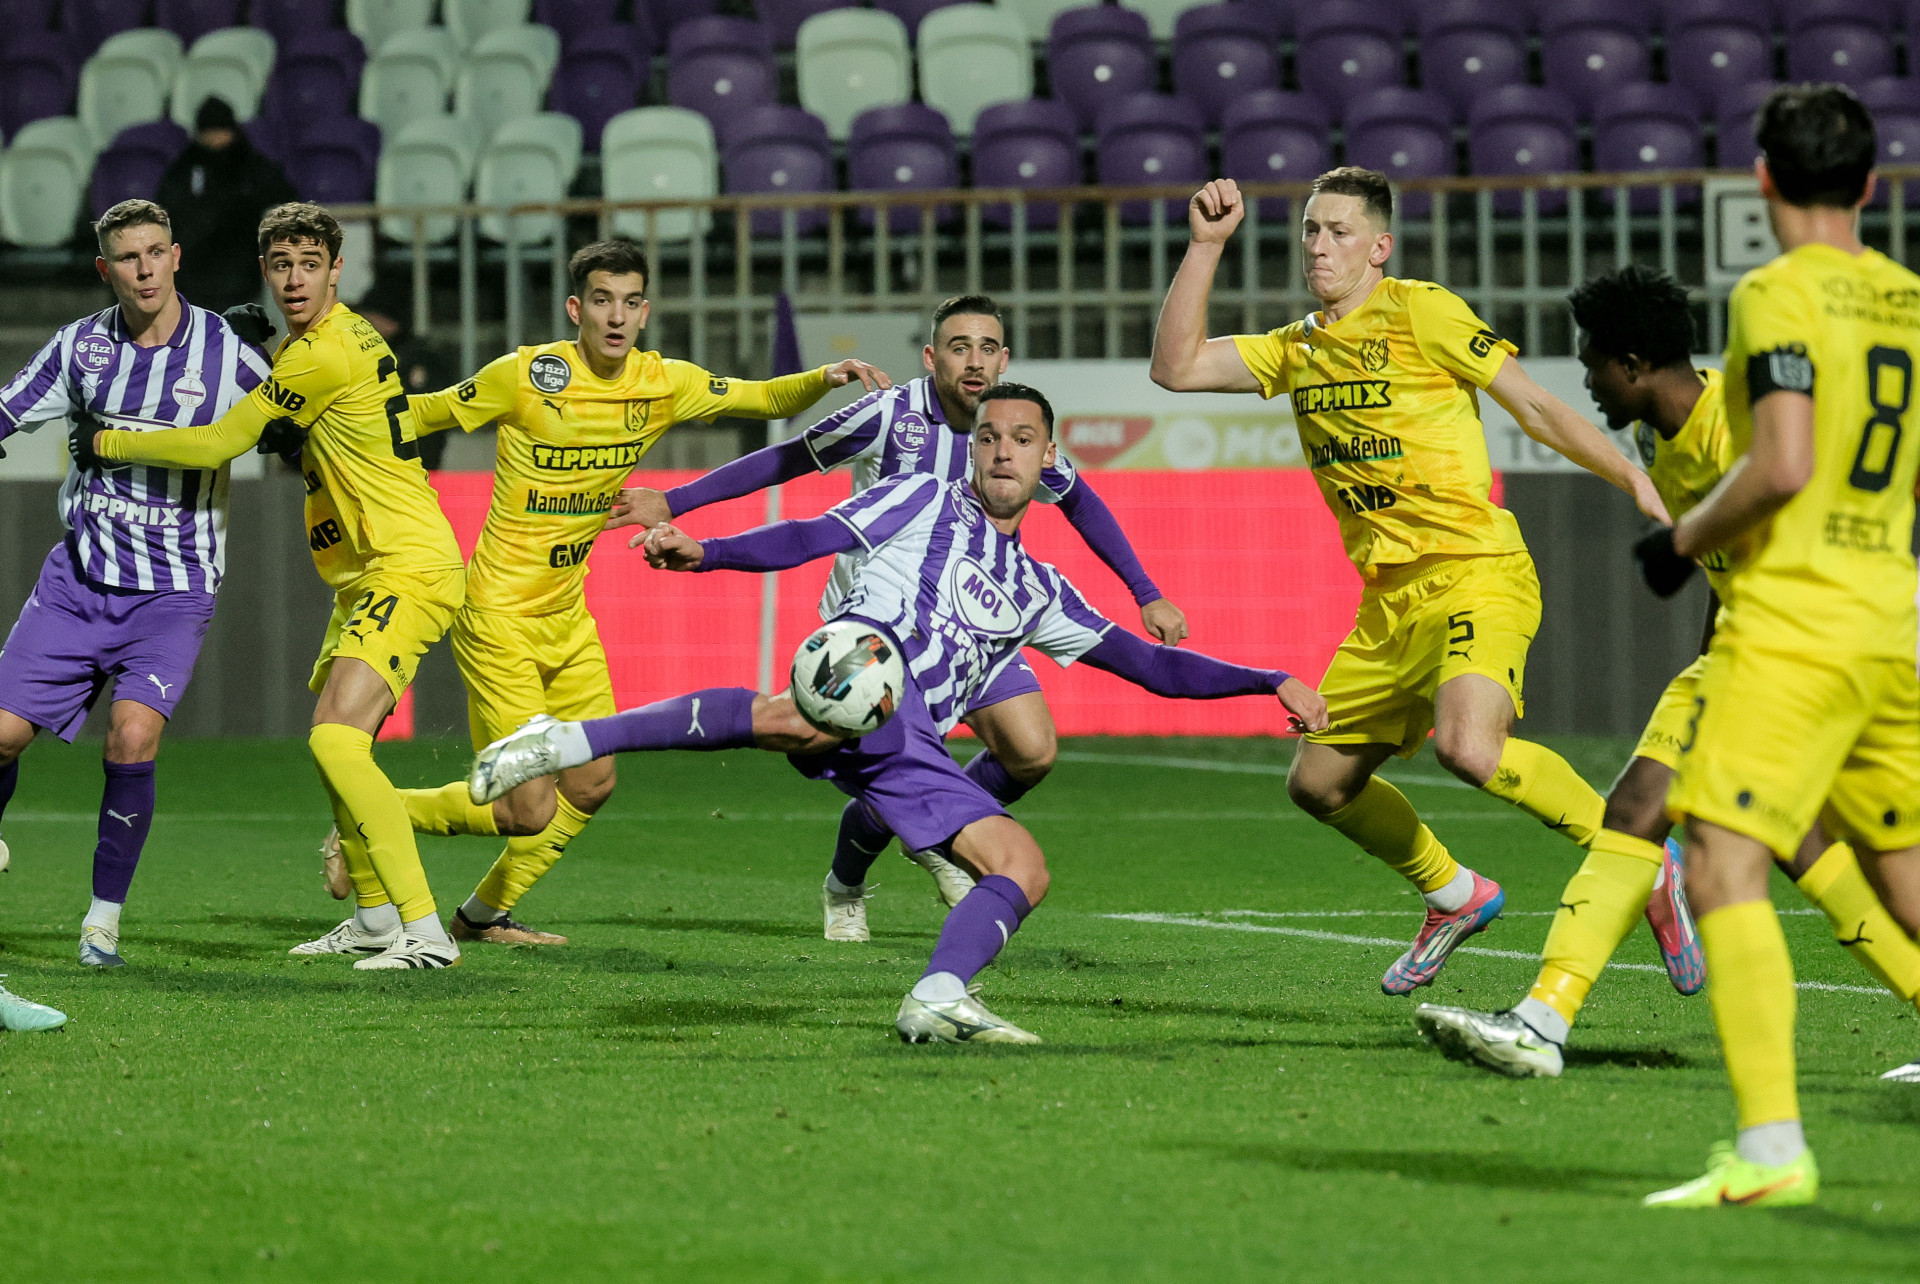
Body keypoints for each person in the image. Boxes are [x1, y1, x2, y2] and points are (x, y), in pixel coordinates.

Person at [465, 383, 1328, 1042]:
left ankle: (937, 994)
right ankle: (567, 738)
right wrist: (707, 552)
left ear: (1049, 461)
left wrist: (1268, 678)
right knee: (813, 709)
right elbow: (812, 535)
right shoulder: (919, 496)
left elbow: (1151, 668)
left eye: (1021, 441)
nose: (1000, 452)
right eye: (988, 437)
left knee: (1020, 866)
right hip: (866, 665)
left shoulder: (1039, 589)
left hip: (914, 739)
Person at [1148, 168, 1670, 994]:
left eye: (1340, 231)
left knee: (1468, 747)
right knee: (1318, 783)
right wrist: (1207, 245)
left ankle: (1639, 853)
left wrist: (1635, 481)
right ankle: (1454, 894)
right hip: (1388, 604)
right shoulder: (1297, 347)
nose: (1320, 245)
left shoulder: (1422, 310)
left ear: (1379, 247)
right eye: (1312, 230)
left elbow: (1533, 406)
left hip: (1473, 570)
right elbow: (1174, 367)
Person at [1414, 264, 1920, 1081]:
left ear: (1636, 363)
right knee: (1658, 812)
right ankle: (1543, 1019)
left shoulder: (1743, 432)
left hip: (1817, 651)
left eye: (1593, 364)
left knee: (1830, 845)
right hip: (1743, 653)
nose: (1586, 380)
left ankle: (1546, 1021)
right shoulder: (1656, 437)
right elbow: (1730, 570)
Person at [610, 295, 1188, 942]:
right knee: (900, 765)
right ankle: (848, 882)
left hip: (970, 614)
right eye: (960, 347)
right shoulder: (892, 415)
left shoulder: (1009, 430)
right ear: (931, 356)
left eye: (988, 347)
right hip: (875, 622)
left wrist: (1145, 592)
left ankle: (934, 827)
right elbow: (790, 457)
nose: (975, 362)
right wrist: (678, 501)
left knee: (1031, 752)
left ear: (1005, 357)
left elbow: (1080, 500)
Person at [368, 237, 887, 945]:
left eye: (631, 302)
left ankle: (481, 917)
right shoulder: (526, 375)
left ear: (646, 310)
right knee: (529, 807)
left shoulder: (659, 382)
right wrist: (339, 422)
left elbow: (759, 397)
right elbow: (418, 415)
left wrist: (827, 375)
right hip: (497, 616)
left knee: (591, 785)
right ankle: (370, 816)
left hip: (567, 615)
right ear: (576, 308)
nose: (617, 317)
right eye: (603, 301)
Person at [1634, 84, 1920, 1209]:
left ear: (1761, 182)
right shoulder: (1907, 299)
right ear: (1869, 183)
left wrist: (1683, 538)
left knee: (1720, 861)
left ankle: (1769, 1153)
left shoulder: (1773, 295)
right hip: (1892, 615)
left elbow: (1787, 461)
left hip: (1795, 621)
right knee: (1903, 875)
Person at [77, 202, 470, 971]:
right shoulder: (321, 343)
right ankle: (373, 917)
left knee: (336, 738)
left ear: (336, 269)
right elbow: (293, 426)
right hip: (364, 573)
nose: (295, 279)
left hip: (407, 563)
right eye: (282, 265)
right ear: (267, 269)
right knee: (331, 743)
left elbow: (223, 440)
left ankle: (426, 932)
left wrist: (106, 439)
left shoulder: (322, 354)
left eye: (309, 265)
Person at [0, 199, 269, 968]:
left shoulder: (225, 349)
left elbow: (299, 418)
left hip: (173, 593)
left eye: (156, 252)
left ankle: (101, 925)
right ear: (105, 269)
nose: (144, 268)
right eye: (128, 257)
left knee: (132, 734)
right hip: (78, 581)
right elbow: (8, 409)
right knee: (2, 737)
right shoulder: (79, 347)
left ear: (176, 256)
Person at [155, 97, 297, 314]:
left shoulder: (253, 167)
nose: (214, 140)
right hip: (192, 263)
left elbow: (282, 202)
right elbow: (168, 207)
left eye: (219, 132)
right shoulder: (186, 167)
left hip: (241, 260)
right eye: (208, 133)